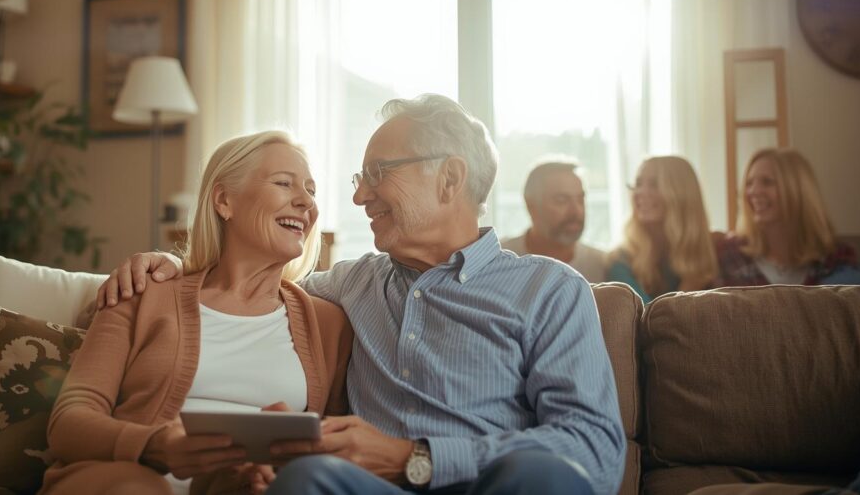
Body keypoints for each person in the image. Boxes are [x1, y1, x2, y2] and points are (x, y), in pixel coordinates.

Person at [100, 94, 626, 495]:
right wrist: (177, 267)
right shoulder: (351, 284)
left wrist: (417, 457)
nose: (358, 196)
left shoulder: (549, 290)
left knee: (545, 475)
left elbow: (595, 449)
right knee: (307, 479)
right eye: (359, 177)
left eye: (378, 173)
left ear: (449, 178)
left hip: (491, 486)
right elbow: (248, 285)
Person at [40, 131, 352, 495]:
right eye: (284, 183)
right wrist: (157, 445)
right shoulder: (143, 291)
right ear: (223, 201)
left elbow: (337, 453)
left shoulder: (329, 324)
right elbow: (68, 422)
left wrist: (277, 467)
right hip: (124, 480)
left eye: (311, 191)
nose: (306, 202)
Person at [716, 147, 860, 286]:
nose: (753, 191)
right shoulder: (730, 255)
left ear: (797, 190)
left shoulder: (836, 259)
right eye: (749, 183)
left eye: (767, 182)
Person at [606, 156, 718, 303]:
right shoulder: (621, 260)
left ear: (682, 194)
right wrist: (688, 288)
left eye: (655, 184)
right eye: (638, 184)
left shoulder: (718, 249)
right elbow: (645, 315)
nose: (640, 192)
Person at [501, 160, 607, 282]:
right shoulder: (499, 261)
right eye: (562, 200)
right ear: (531, 206)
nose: (576, 211)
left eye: (580, 199)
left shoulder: (602, 265)